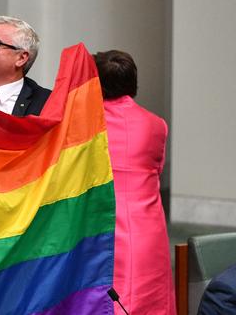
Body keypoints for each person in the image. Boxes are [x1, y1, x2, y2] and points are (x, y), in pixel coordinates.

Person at [94, 50, 175, 315]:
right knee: (151, 297)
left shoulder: (86, 125)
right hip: (147, 229)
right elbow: (157, 169)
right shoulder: (157, 125)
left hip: (101, 223)